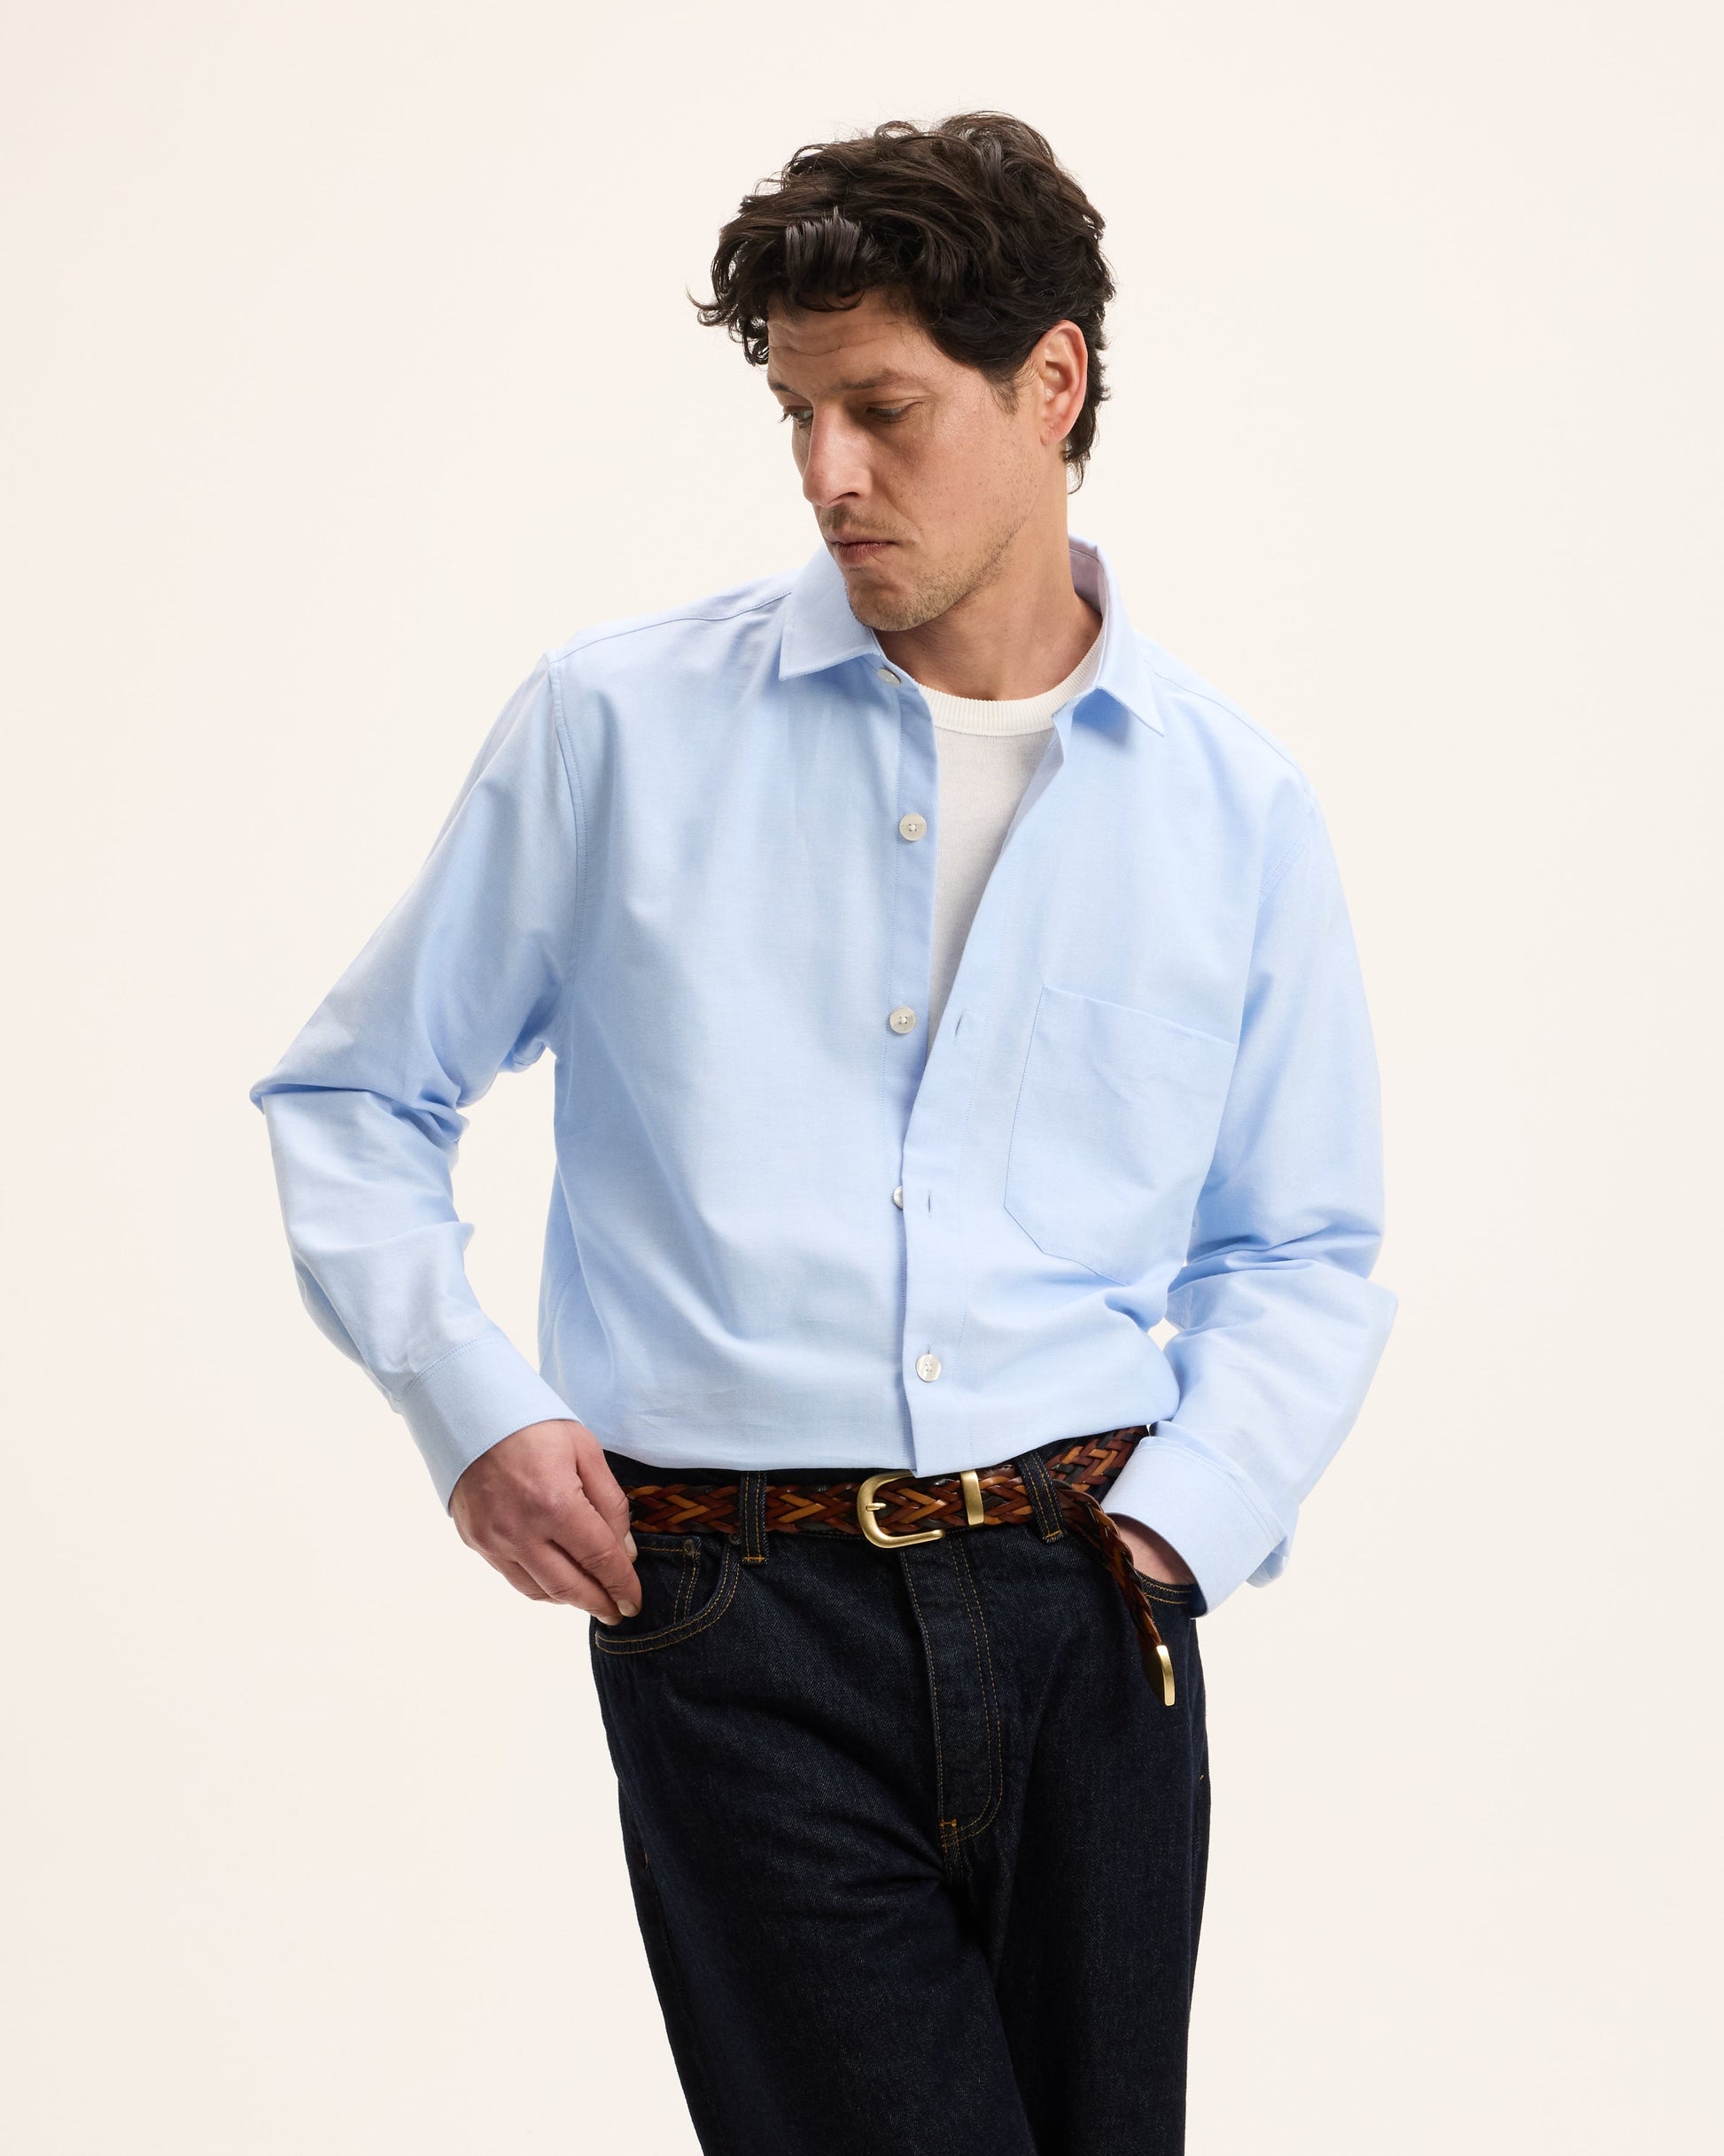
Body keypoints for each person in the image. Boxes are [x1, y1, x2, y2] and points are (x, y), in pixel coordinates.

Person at [252, 111, 1395, 2156]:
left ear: (1051, 384)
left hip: (1092, 1607)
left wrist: (1175, 1530)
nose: (825, 475)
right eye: (796, 414)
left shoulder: (1231, 804)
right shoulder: (618, 727)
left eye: (882, 408)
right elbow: (356, 1091)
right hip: (735, 1609)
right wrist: (469, 1398)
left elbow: (1301, 1240)